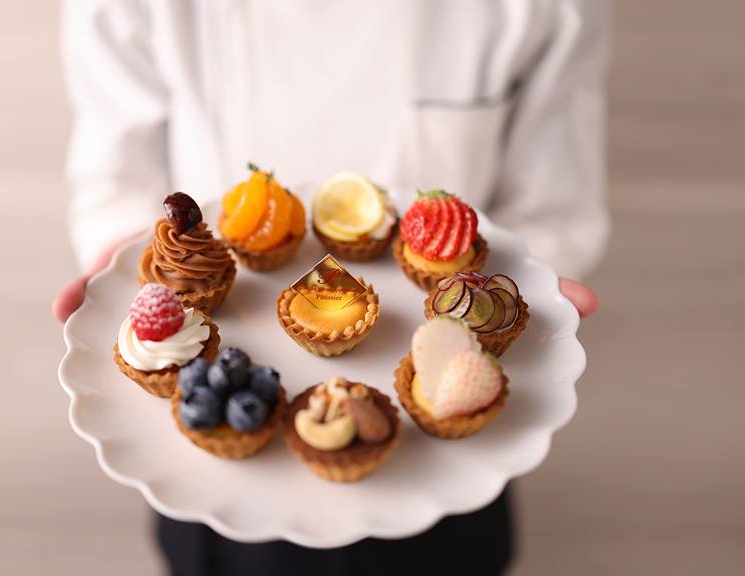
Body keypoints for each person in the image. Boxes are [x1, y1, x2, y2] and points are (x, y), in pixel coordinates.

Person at [54, 1, 606, 574]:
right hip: (216, 495)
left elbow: (552, 208)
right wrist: (120, 258)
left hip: (447, 481)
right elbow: (115, 175)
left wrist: (534, 281)